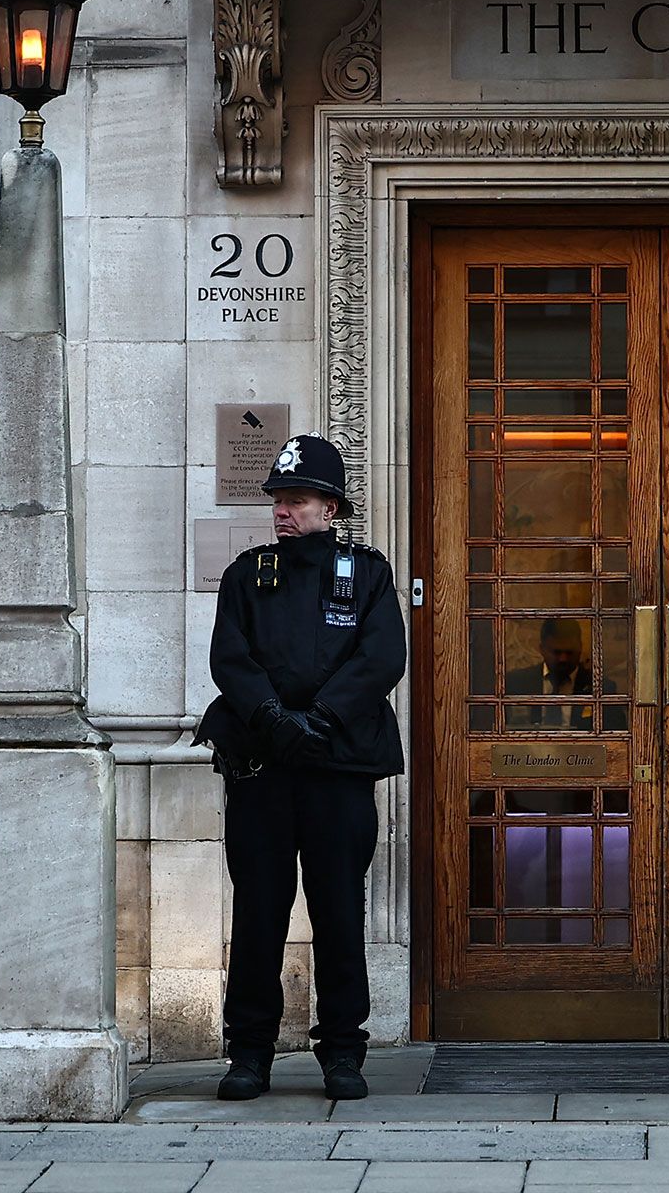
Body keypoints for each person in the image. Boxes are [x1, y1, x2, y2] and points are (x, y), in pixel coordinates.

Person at [194, 433, 406, 1103]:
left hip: (337, 768)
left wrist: (321, 721)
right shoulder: (247, 575)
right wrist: (274, 721)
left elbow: (381, 658)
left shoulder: (366, 574)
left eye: (300, 499)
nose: (285, 511)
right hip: (264, 768)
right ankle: (249, 1054)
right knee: (260, 914)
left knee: (339, 913)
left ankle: (343, 1052)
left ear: (330, 506)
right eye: (280, 500)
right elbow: (231, 659)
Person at [502, 615, 597, 730]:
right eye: (556, 652)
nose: (563, 659)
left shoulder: (598, 688)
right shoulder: (516, 683)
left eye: (569, 652)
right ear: (541, 649)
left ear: (580, 648)